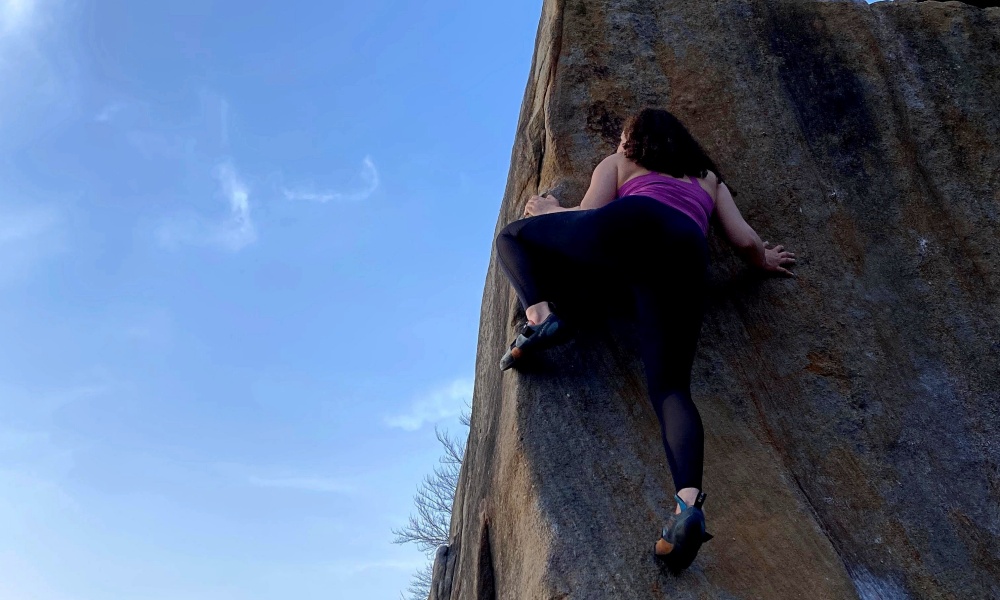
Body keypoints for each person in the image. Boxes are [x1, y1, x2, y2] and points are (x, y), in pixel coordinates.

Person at [494, 108, 796, 572]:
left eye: (623, 136)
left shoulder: (620, 164)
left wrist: (551, 212)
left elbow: (593, 213)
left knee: (513, 237)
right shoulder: (707, 179)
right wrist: (763, 261)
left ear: (633, 140)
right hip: (684, 255)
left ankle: (541, 318)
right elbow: (743, 239)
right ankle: (688, 507)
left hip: (628, 224)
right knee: (672, 388)